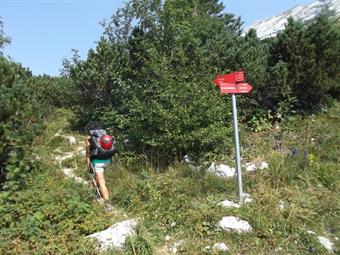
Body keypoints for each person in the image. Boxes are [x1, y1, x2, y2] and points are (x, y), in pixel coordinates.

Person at [85, 122, 115, 211]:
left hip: (97, 162)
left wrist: (89, 165)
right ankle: (98, 195)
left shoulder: (88, 138)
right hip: (108, 159)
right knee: (98, 180)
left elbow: (88, 153)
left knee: (101, 182)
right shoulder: (104, 135)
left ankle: (107, 204)